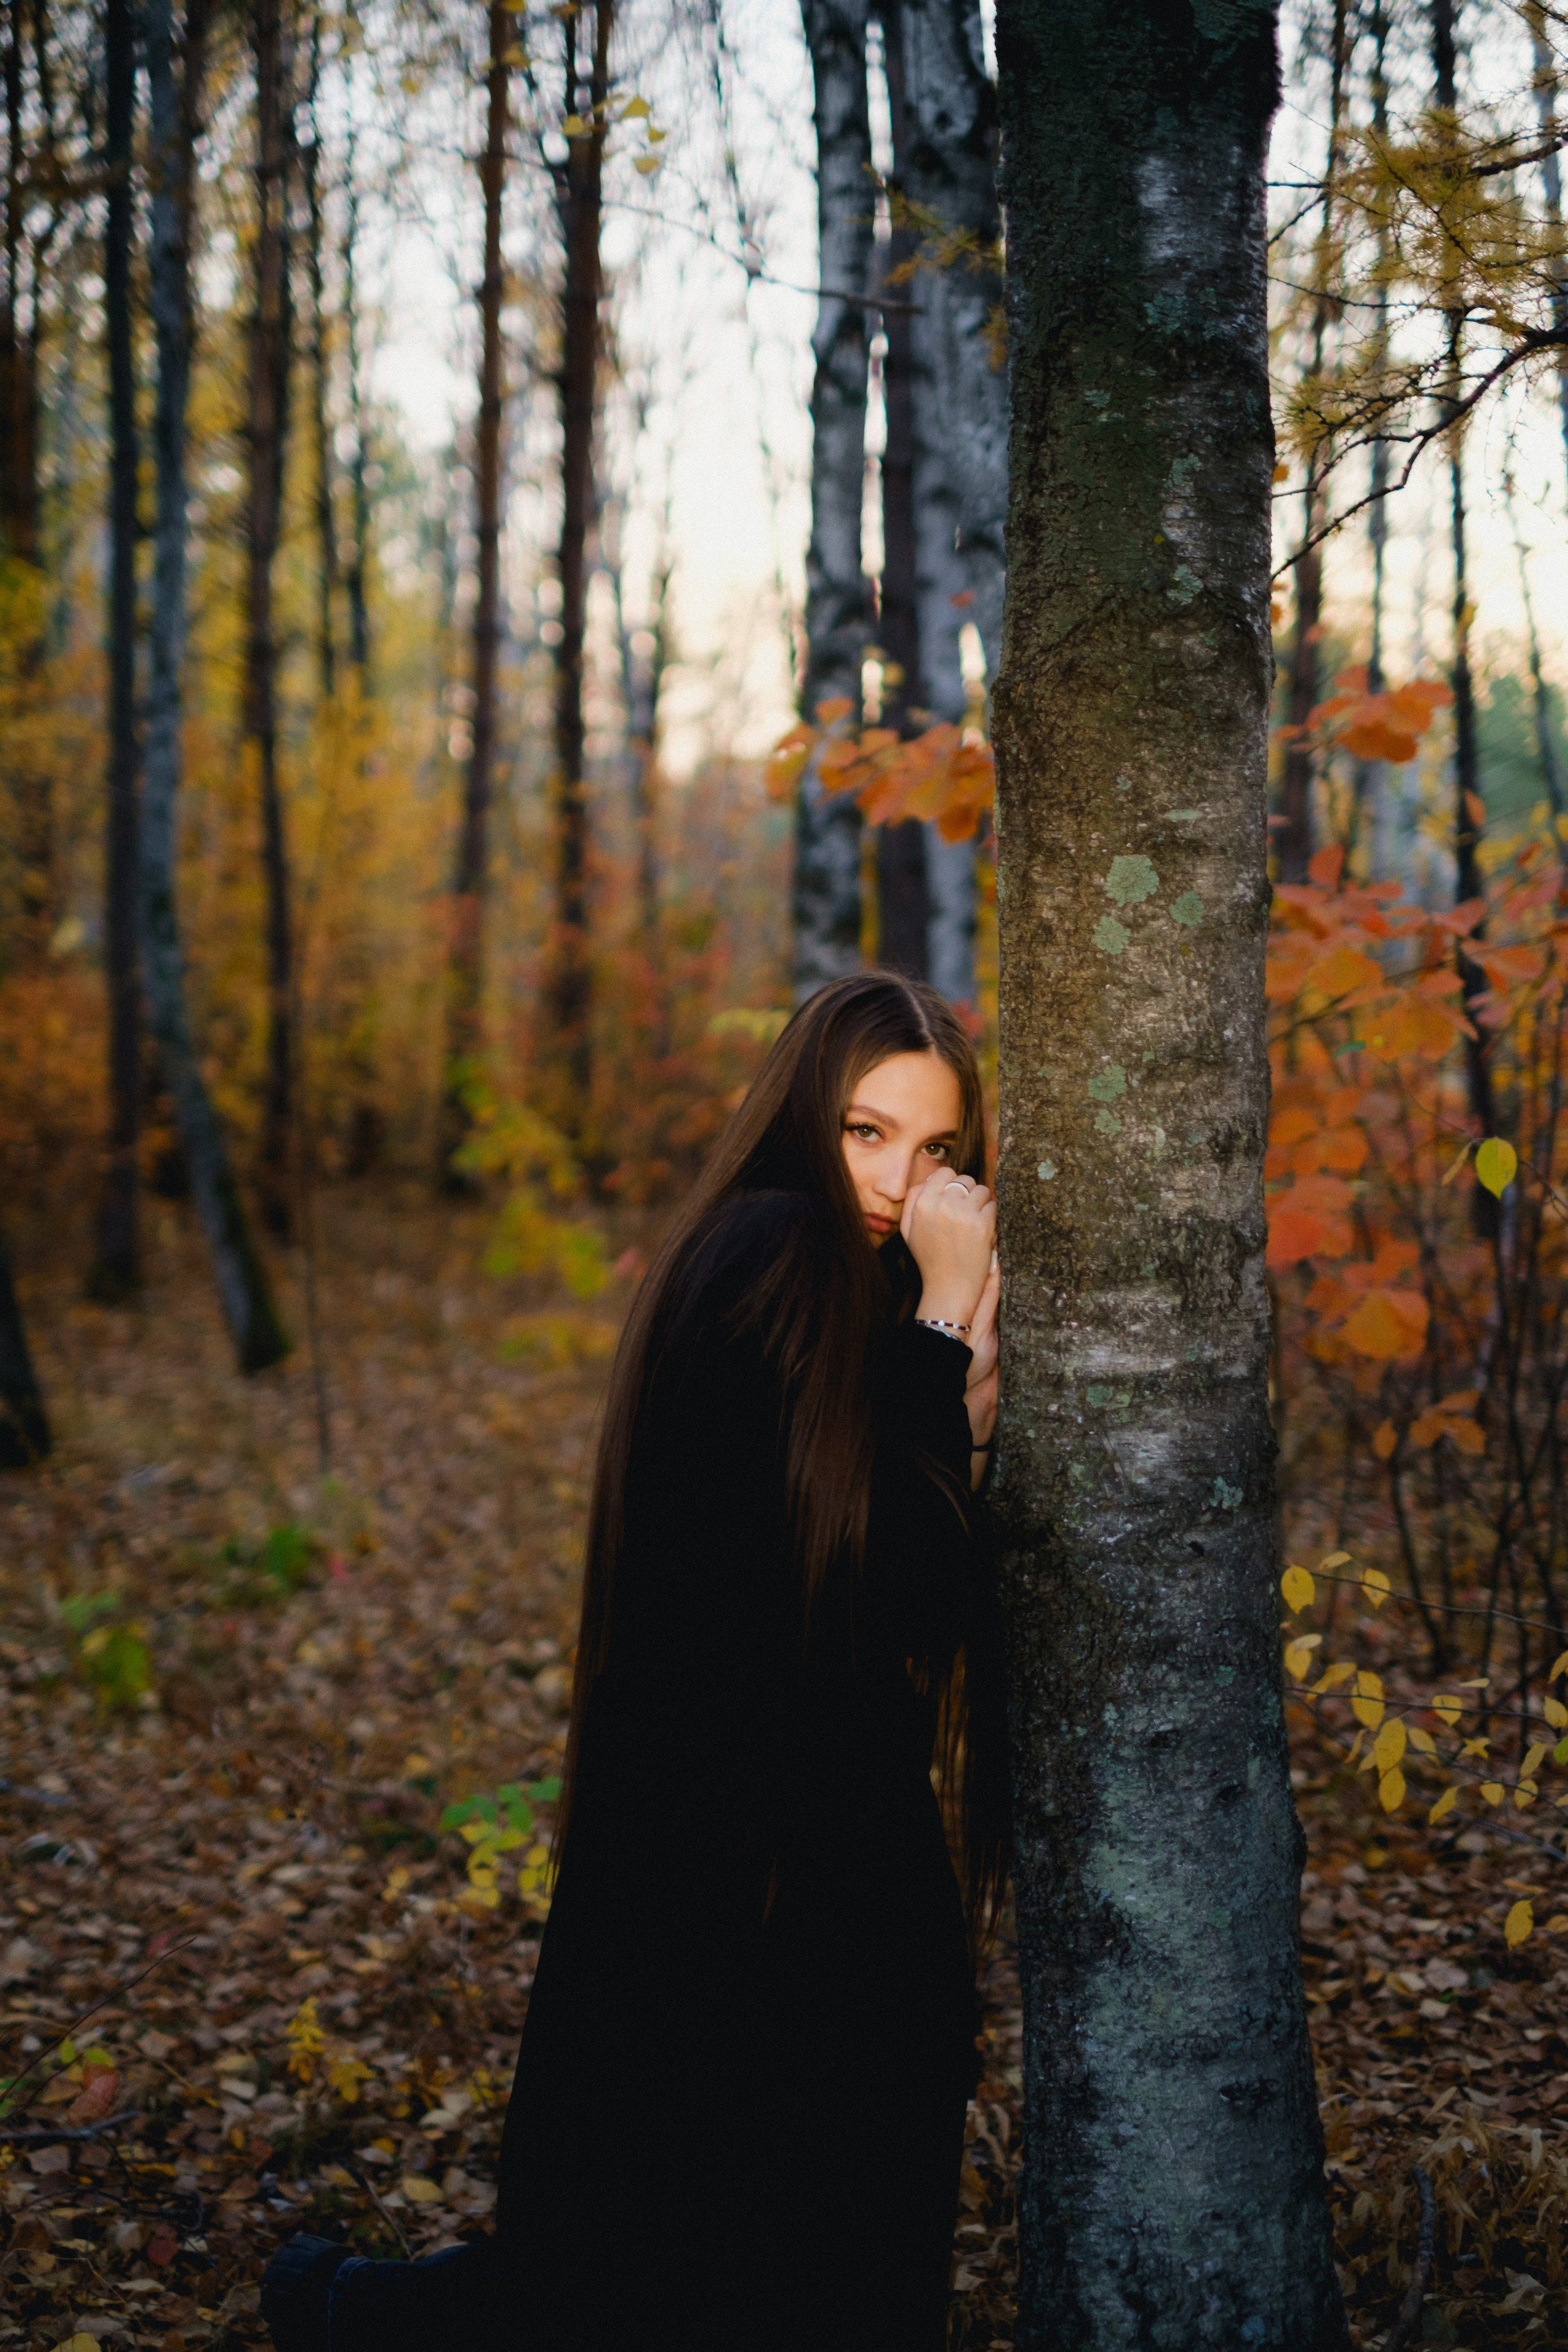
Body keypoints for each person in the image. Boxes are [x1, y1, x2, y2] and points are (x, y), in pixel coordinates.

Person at [263, 970, 1010, 2352]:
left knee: (654, 2246)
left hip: (725, 1846)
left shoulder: (757, 1252)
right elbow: (889, 1584)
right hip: (768, 1864)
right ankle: (346, 2312)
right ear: (802, 1118)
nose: (903, 1186)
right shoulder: (784, 1256)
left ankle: (343, 2308)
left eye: (938, 1153)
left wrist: (939, 1391)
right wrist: (941, 1330)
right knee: (717, 2256)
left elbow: (853, 1555)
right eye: (866, 1133)